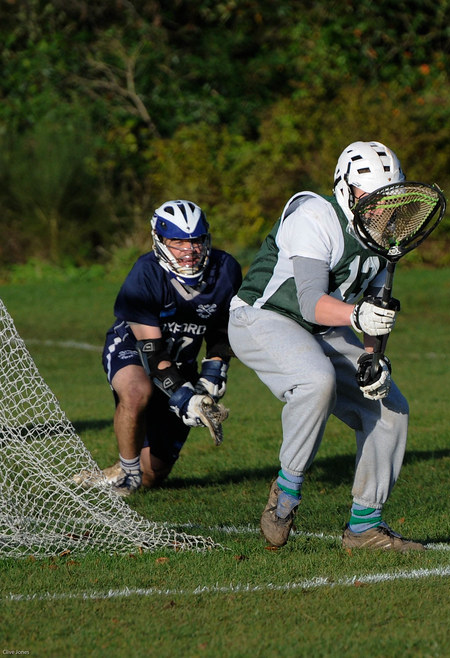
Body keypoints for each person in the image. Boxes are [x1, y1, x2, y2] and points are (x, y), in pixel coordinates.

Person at [228, 140, 423, 552]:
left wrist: (373, 358)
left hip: (323, 331)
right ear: (344, 188)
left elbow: (374, 310)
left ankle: (364, 527)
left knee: (390, 407)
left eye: (388, 198)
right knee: (316, 382)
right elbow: (310, 300)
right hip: (262, 317)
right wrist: (357, 318)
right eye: (369, 197)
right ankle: (286, 492)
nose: (380, 209)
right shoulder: (315, 215)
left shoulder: (383, 236)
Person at [91, 200, 241, 495]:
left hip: (182, 360)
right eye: (177, 241)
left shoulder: (225, 269)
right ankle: (127, 472)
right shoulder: (146, 272)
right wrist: (185, 396)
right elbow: (151, 351)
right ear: (160, 242)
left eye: (196, 241)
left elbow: (225, 329)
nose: (189, 250)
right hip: (134, 350)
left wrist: (214, 370)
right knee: (137, 392)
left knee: (154, 474)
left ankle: (131, 471)